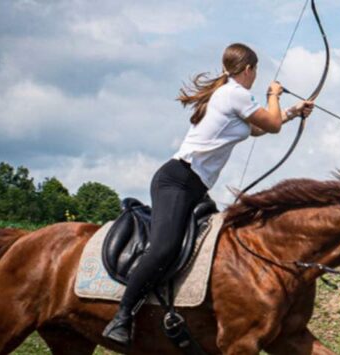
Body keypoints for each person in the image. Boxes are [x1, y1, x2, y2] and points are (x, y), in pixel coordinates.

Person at [102, 42, 314, 346]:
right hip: (177, 181)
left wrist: (292, 111)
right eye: (256, 72)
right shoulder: (235, 94)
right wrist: (274, 96)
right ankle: (121, 318)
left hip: (194, 187)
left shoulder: (232, 95)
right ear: (249, 69)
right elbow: (273, 125)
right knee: (164, 248)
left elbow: (257, 128)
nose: (257, 78)